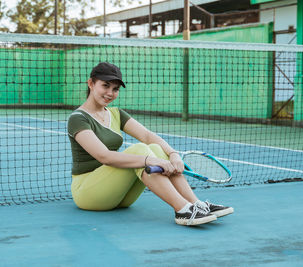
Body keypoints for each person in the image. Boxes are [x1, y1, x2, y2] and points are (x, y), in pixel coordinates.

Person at [67, 62, 233, 226]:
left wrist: (173, 155)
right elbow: (104, 156)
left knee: (155, 148)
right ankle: (183, 210)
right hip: (89, 193)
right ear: (90, 83)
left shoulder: (116, 113)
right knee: (140, 151)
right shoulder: (78, 119)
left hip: (119, 197)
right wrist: (150, 160)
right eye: (105, 86)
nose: (110, 93)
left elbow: (147, 135)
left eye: (115, 89)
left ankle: (196, 204)